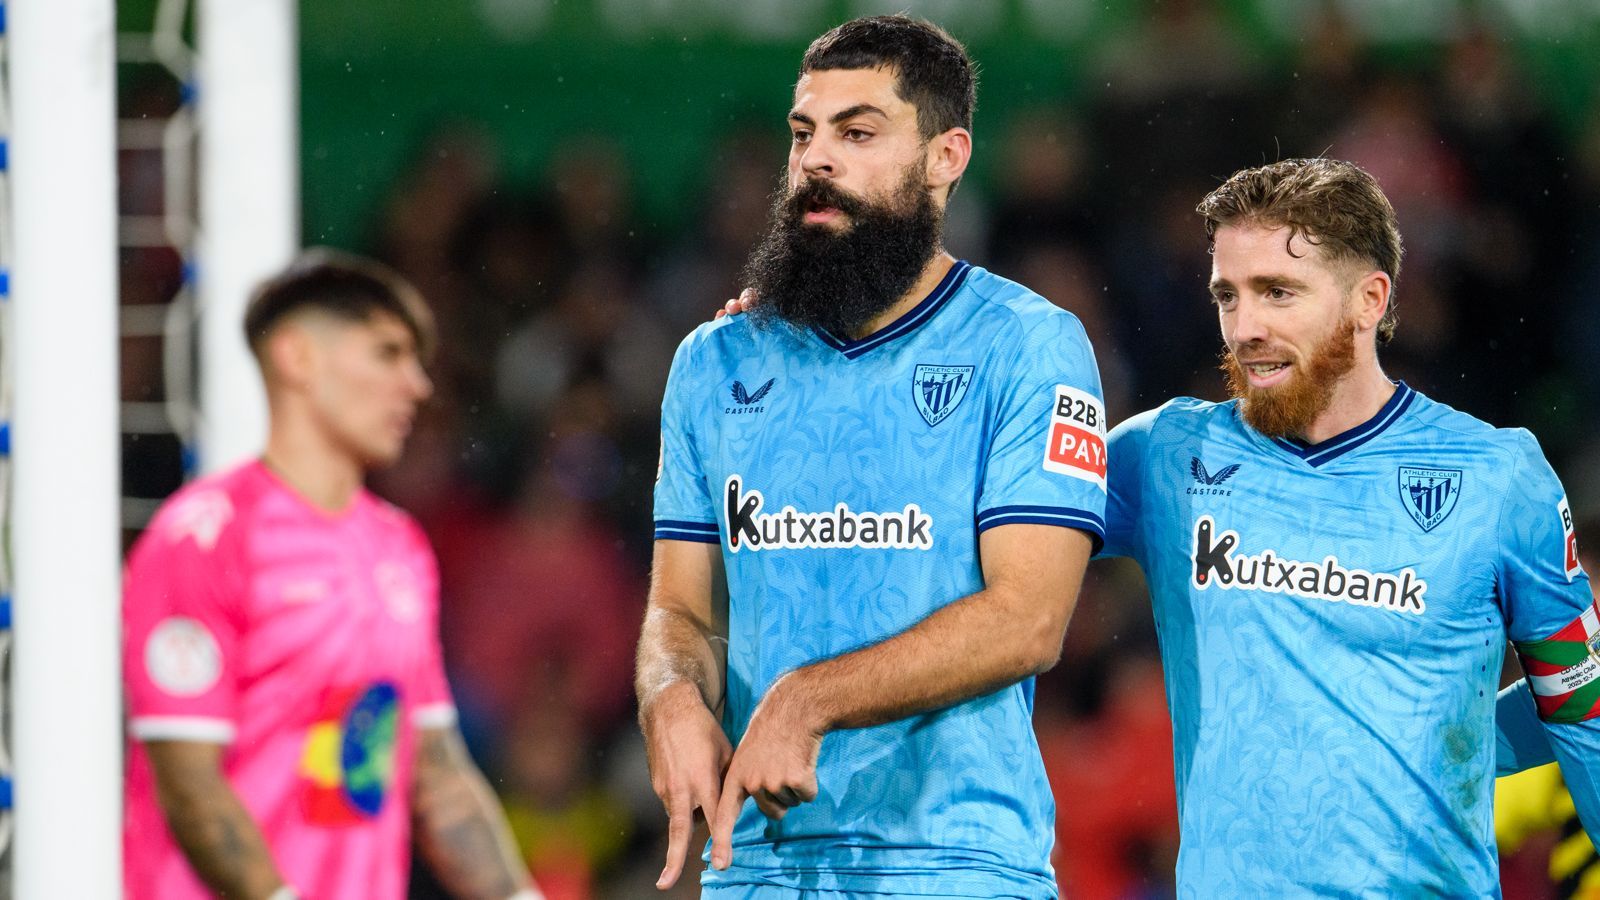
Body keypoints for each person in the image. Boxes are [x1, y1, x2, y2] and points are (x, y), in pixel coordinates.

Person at [636, 15, 1106, 899]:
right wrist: (671, 699)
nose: (817, 159)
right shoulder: (715, 361)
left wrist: (809, 700)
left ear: (946, 157)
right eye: (803, 133)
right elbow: (680, 609)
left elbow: (1029, 620)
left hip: (959, 863)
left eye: (858, 133)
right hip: (755, 868)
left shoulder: (1027, 346)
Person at [1100, 157, 1600, 895]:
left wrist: (1450, 737)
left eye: (1278, 293)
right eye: (1227, 296)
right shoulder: (1165, 456)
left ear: (1370, 299)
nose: (1245, 328)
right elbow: (995, 544)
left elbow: (1580, 707)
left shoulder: (1499, 479)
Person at [122, 250, 542, 900]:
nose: (418, 385)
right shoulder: (205, 539)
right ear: (297, 358)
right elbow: (188, 780)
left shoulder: (399, 546)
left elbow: (434, 771)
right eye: (387, 354)